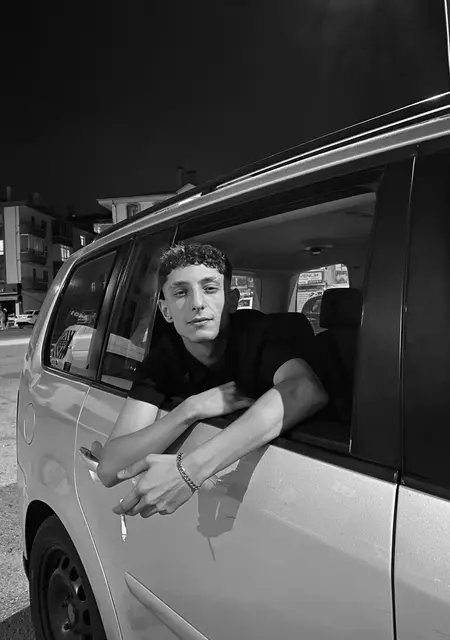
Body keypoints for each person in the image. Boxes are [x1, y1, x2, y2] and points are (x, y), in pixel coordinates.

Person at [93, 243, 328, 518]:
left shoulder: (256, 334)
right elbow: (110, 469)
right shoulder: (163, 358)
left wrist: (190, 471)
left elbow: (305, 389)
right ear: (166, 310)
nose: (197, 303)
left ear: (232, 300)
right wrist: (190, 409)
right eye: (181, 292)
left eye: (210, 288)